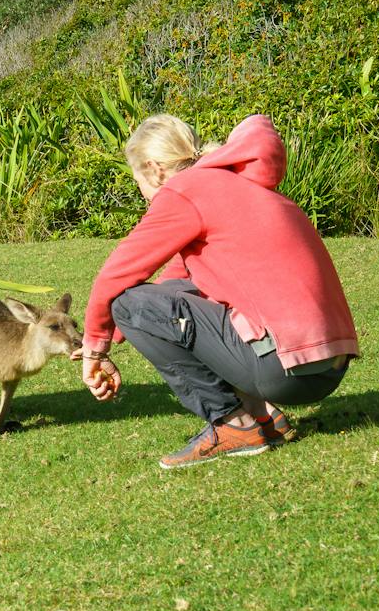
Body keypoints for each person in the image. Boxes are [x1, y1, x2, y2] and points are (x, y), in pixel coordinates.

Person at [79, 113, 358, 468]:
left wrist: (95, 351)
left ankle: (232, 423)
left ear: (154, 168)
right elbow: (176, 287)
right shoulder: (235, 182)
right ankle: (263, 416)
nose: (143, 194)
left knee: (128, 302)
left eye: (139, 182)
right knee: (159, 301)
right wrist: (114, 335)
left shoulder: (184, 191)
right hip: (326, 367)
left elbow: (116, 276)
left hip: (284, 372)